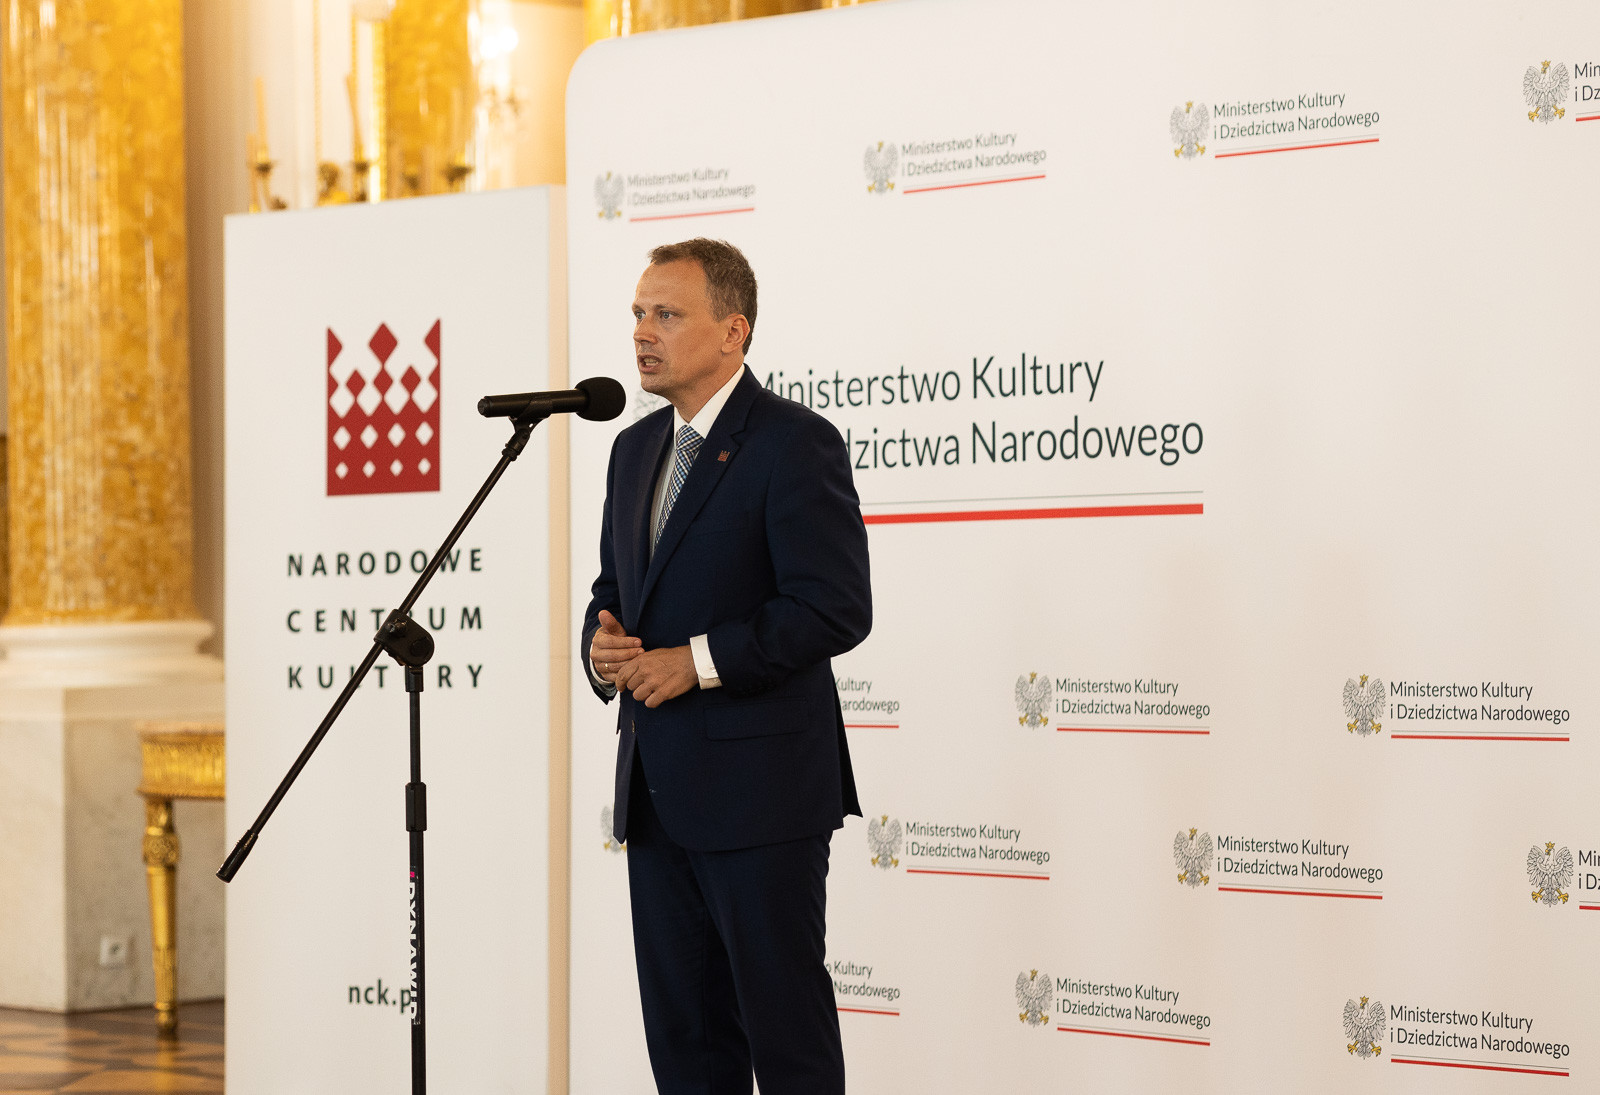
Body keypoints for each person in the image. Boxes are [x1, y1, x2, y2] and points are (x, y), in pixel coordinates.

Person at [581, 238, 871, 1095]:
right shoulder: (633, 450)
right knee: (687, 1048)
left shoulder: (793, 443)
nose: (643, 332)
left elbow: (835, 606)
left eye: (667, 314)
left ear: (732, 331)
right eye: (639, 313)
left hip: (762, 798)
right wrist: (602, 647)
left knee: (787, 1041)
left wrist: (698, 661)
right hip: (656, 795)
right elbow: (615, 590)